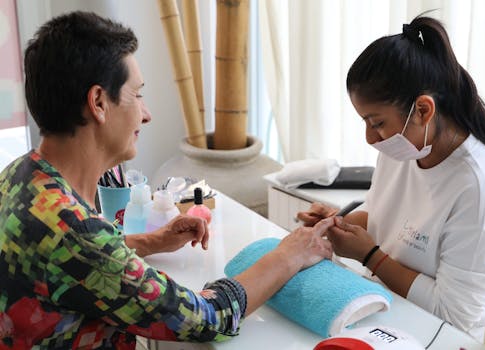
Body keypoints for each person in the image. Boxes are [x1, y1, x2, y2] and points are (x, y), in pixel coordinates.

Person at [0, 11, 335, 349]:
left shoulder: (20, 175)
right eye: (138, 94)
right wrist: (288, 254)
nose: (146, 114)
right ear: (99, 102)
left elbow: (68, 263)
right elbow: (207, 318)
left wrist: (150, 241)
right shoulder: (76, 231)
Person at [298, 15, 485, 339]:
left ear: (423, 110)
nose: (370, 137)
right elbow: (382, 217)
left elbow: (455, 316)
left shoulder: (479, 191)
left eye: (376, 123)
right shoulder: (403, 149)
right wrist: (340, 223)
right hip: (388, 318)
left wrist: (370, 256)